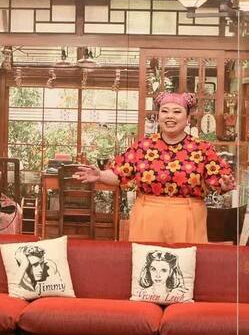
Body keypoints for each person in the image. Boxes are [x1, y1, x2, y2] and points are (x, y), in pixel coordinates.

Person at [75, 92, 235, 243]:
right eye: (164, 111)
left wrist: (224, 185)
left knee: (185, 261)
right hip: (148, 216)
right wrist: (100, 175)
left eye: (177, 112)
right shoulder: (143, 146)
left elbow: (220, 180)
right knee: (145, 260)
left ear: (188, 118)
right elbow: (119, 174)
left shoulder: (202, 148)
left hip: (188, 216)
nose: (170, 116)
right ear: (159, 117)